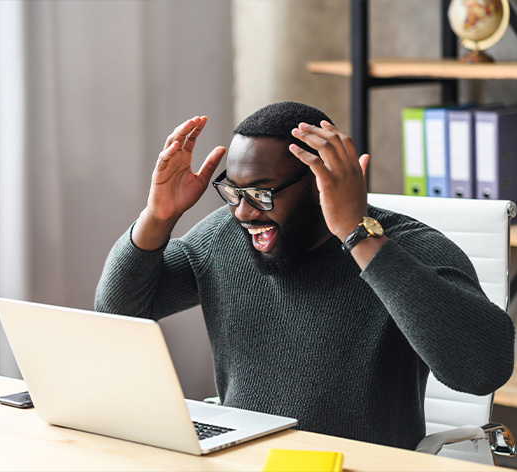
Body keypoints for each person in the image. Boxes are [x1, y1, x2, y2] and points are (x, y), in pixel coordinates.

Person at [95, 101, 514, 450]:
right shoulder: (223, 238)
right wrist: (157, 217)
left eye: (260, 193)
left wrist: (356, 233)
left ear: (320, 182)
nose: (243, 212)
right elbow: (120, 310)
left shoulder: (409, 248)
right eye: (233, 192)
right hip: (242, 458)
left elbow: (480, 371)